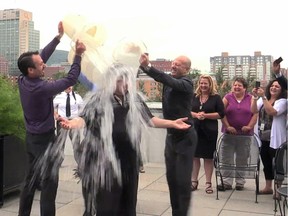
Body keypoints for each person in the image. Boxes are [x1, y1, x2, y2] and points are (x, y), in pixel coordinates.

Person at [60, 63, 191, 216]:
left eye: (127, 80)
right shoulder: (99, 99)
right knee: (107, 204)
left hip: (129, 159)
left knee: (128, 204)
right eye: (121, 80)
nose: (126, 84)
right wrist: (72, 123)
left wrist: (172, 123)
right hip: (105, 162)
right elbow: (83, 119)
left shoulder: (133, 99)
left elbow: (149, 119)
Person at [17, 21, 86, 216]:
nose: (44, 64)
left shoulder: (23, 79)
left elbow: (41, 57)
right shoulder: (41, 88)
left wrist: (58, 37)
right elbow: (71, 79)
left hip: (31, 138)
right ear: (31, 70)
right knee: (49, 185)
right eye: (40, 65)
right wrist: (78, 55)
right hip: (45, 142)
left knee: (30, 181)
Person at [139, 54, 197, 216]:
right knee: (172, 180)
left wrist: (148, 66)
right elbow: (165, 79)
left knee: (182, 181)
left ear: (186, 69)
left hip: (185, 137)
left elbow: (168, 80)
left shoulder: (186, 83)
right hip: (171, 137)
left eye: (177, 65)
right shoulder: (170, 81)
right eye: (172, 63)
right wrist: (141, 66)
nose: (173, 66)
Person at [218, 77, 258, 191]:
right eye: (235, 85)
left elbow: (255, 114)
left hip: (245, 135)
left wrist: (249, 126)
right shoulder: (227, 97)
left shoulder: (250, 98)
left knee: (242, 158)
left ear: (245, 88)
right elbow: (221, 112)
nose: (237, 87)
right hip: (229, 134)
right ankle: (226, 182)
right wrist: (227, 126)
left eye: (239, 85)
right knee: (227, 158)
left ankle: (240, 182)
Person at [251, 78, 287, 195]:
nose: (273, 88)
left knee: (277, 164)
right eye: (272, 86)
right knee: (266, 163)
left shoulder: (283, 101)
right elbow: (253, 110)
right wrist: (255, 97)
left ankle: (278, 189)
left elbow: (272, 111)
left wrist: (264, 98)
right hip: (263, 138)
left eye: (277, 86)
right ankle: (268, 187)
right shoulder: (264, 99)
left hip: (276, 138)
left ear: (281, 89)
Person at [191, 74, 225, 194]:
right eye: (201, 83)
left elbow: (221, 114)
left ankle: (208, 183)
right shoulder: (194, 96)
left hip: (209, 132)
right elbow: (187, 110)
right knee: (194, 157)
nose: (203, 85)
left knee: (208, 158)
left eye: (206, 83)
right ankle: (194, 182)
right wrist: (196, 115)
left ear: (210, 84)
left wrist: (205, 116)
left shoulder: (216, 97)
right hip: (195, 130)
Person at [53, 86, 84, 162]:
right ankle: (58, 162)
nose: (68, 87)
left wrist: (79, 118)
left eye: (70, 85)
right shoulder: (58, 97)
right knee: (60, 143)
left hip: (73, 122)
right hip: (62, 122)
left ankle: (80, 163)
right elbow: (51, 107)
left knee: (76, 144)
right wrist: (56, 114)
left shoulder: (77, 97)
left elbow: (83, 109)